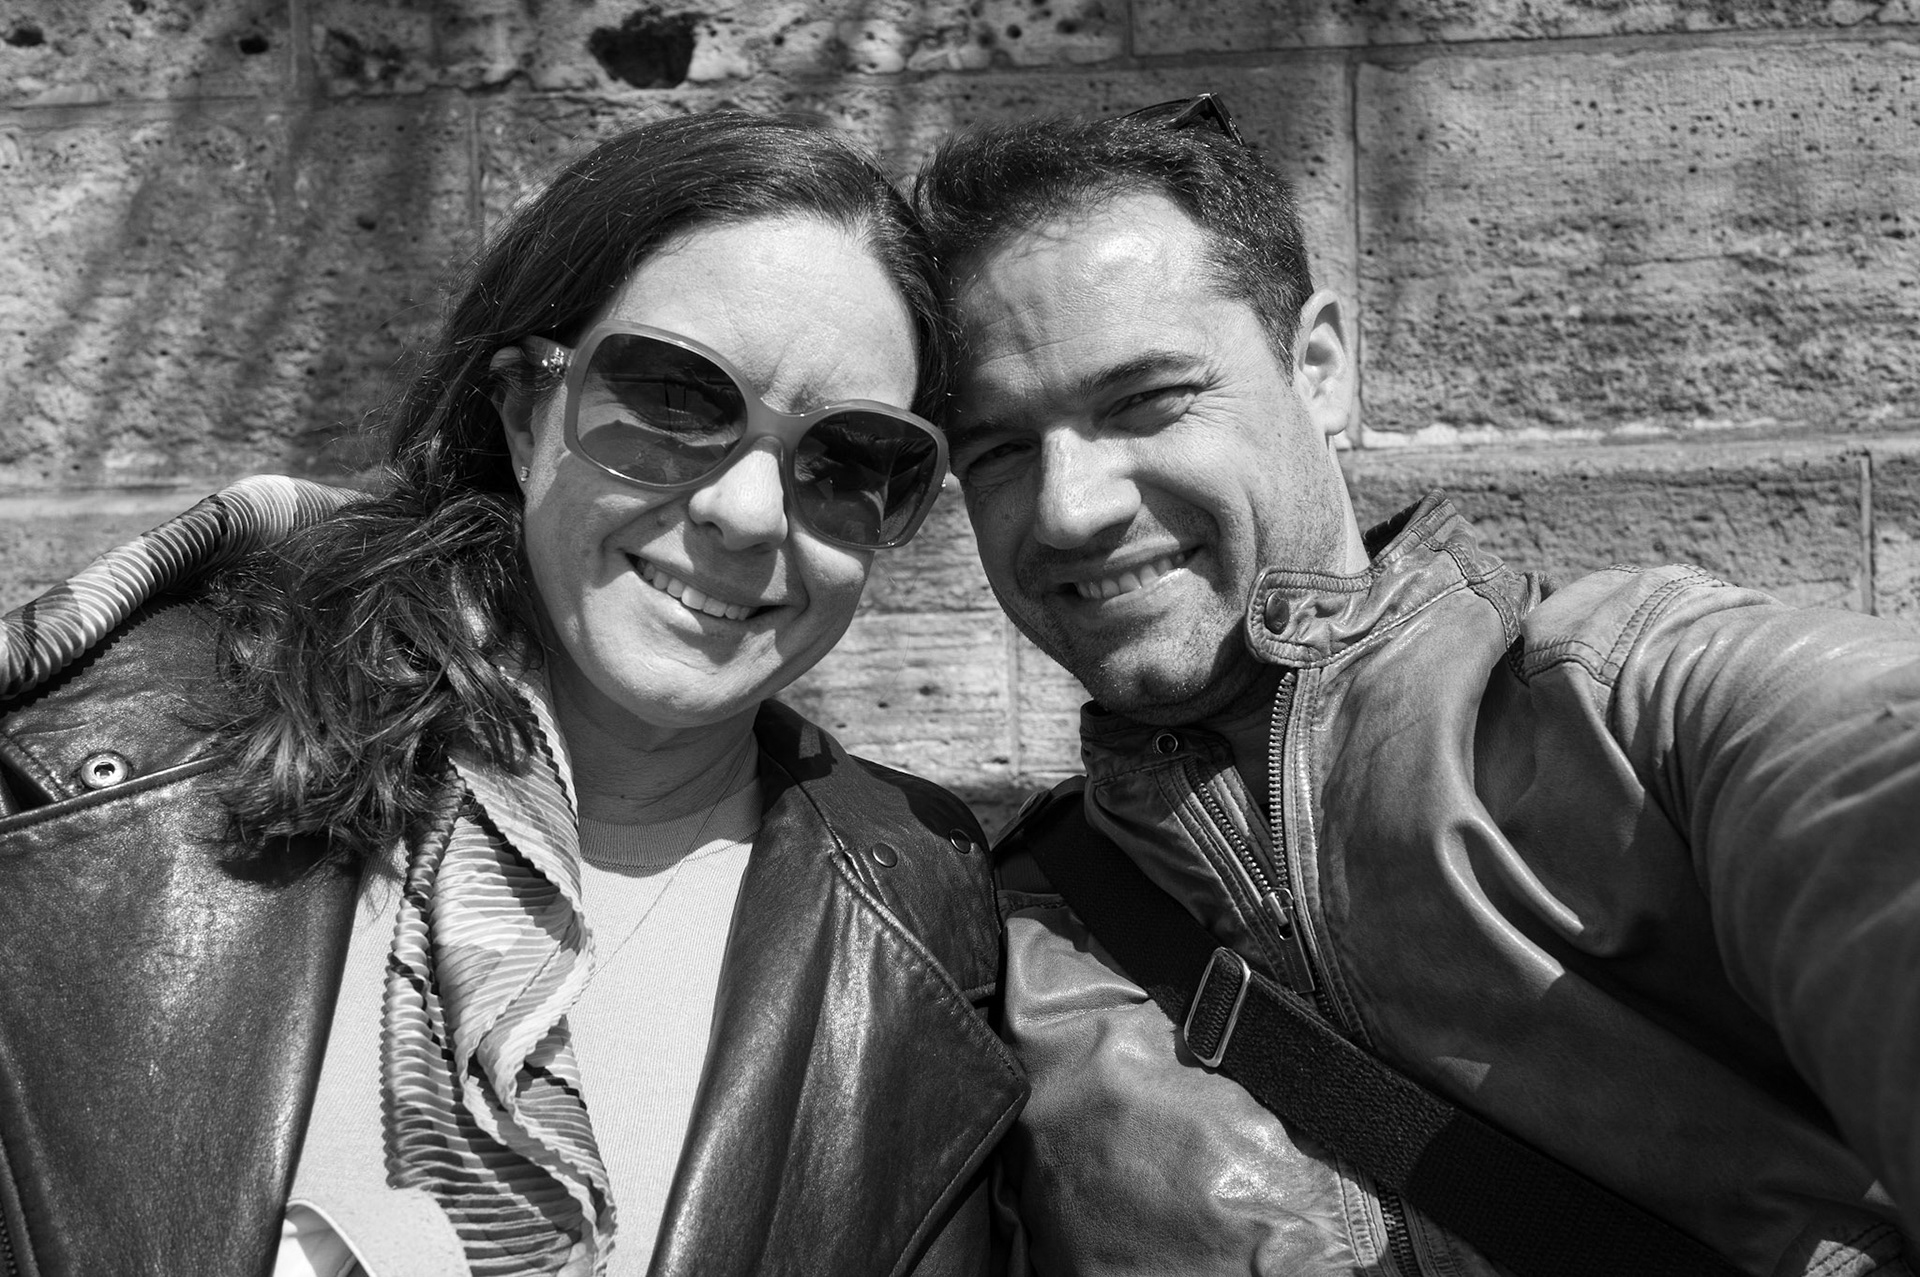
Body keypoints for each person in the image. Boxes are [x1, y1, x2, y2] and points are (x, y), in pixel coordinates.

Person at [0, 112, 1024, 1277]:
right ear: (527, 413)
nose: (747, 511)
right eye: (676, 399)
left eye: (848, 459)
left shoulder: (925, 909)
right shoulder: (113, 775)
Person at [913, 98, 1919, 1276]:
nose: (1069, 506)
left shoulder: (1628, 703)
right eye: (997, 449)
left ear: (1320, 369)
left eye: (1145, 399)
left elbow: (1872, 784)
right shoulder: (991, 956)